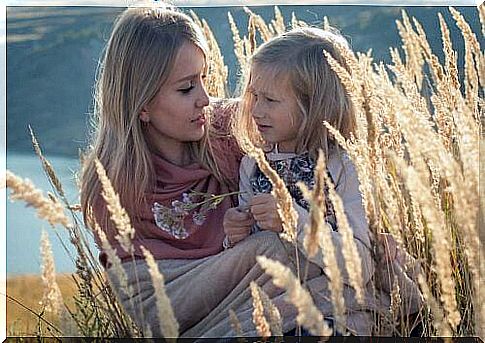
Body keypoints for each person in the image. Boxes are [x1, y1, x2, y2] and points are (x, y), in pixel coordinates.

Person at [224, 26, 376, 334]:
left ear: (313, 105)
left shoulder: (341, 166)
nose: (256, 110)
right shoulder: (252, 165)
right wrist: (234, 236)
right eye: (253, 96)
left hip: (331, 314)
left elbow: (360, 267)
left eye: (270, 100)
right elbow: (249, 261)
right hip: (269, 314)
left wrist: (293, 221)